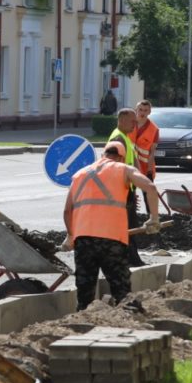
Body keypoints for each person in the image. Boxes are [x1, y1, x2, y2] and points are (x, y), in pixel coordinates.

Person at [63, 142, 161, 310]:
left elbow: (67, 211)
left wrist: (70, 235)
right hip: (112, 240)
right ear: (121, 157)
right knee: (121, 290)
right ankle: (127, 321)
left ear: (103, 155)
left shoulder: (79, 175)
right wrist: (154, 218)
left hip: (84, 240)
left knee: (85, 290)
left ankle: (82, 322)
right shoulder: (123, 169)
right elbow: (150, 187)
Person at [108, 107, 146, 266]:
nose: (135, 125)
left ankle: (132, 259)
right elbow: (117, 167)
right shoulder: (118, 139)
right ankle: (130, 260)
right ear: (122, 119)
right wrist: (126, 193)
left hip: (126, 189)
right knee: (128, 227)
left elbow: (131, 163)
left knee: (130, 225)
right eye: (132, 121)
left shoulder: (124, 137)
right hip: (122, 191)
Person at [131, 99, 159, 181]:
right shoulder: (128, 124)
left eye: (145, 110)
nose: (142, 113)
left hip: (145, 168)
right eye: (140, 110)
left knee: (148, 193)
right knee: (128, 193)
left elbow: (152, 152)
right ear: (136, 110)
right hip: (129, 166)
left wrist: (149, 171)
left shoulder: (154, 130)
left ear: (149, 112)